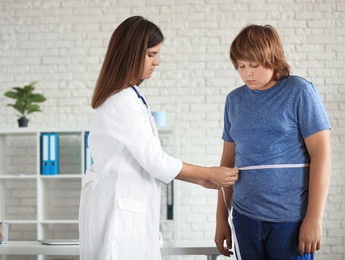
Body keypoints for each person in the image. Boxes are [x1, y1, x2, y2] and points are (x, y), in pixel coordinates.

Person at [78, 16, 239, 260]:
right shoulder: (121, 103)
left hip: (125, 208)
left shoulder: (130, 97)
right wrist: (207, 174)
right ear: (132, 54)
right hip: (117, 214)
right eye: (151, 54)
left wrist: (201, 179)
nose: (157, 62)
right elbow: (155, 160)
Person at [214, 24, 331, 260]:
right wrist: (221, 220)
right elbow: (227, 163)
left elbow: (322, 153)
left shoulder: (300, 91)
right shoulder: (234, 101)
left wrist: (314, 218)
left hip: (290, 220)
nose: (247, 73)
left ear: (272, 59)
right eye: (241, 66)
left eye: (254, 65)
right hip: (244, 219)